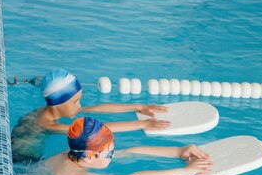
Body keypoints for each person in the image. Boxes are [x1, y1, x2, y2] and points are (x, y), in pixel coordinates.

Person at [11, 68, 170, 163]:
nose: (80, 106)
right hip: (23, 161)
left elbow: (96, 108)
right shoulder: (47, 124)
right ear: (59, 104)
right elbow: (95, 131)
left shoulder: (52, 110)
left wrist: (138, 106)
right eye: (75, 101)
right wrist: (142, 124)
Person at [46, 116, 212, 175]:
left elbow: (130, 152)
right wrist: (184, 171)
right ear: (90, 157)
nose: (114, 154)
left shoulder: (75, 154)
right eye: (109, 154)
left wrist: (178, 151)